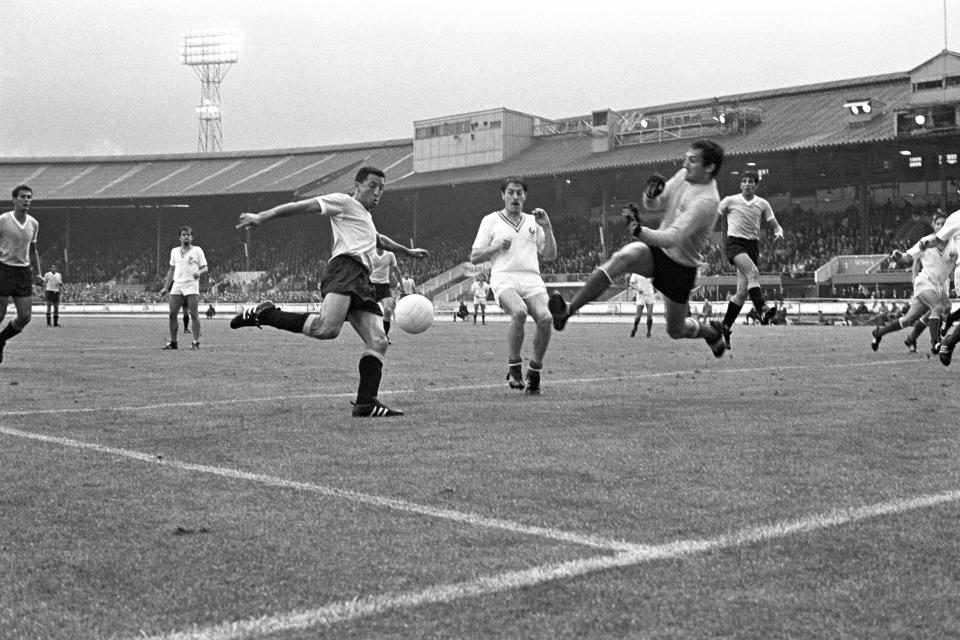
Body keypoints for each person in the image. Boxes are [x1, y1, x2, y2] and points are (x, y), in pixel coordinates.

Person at [230, 166, 429, 417]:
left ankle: (366, 403)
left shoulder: (365, 217)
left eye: (381, 188)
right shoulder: (344, 203)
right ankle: (264, 314)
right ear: (357, 185)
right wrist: (263, 216)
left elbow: (379, 239)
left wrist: (408, 252)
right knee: (326, 329)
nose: (377, 192)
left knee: (378, 340)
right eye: (372, 186)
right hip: (345, 268)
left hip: (362, 278)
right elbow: (301, 206)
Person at [548, 140, 727, 358]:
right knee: (620, 258)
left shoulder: (708, 201)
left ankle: (711, 333)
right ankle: (567, 312)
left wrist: (639, 232)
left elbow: (674, 237)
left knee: (676, 330)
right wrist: (650, 195)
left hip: (680, 267)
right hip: (658, 251)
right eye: (686, 158)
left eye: (692, 160)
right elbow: (654, 204)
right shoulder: (684, 175)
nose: (685, 163)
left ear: (709, 167)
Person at [470, 176, 557, 394]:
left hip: (531, 278)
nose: (515, 197)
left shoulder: (533, 222)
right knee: (519, 312)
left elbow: (550, 255)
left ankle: (535, 371)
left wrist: (548, 227)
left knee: (546, 319)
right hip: (504, 277)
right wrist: (495, 247)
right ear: (503, 195)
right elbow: (474, 256)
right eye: (511, 192)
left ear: (525, 196)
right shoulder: (491, 221)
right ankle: (514, 365)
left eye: (519, 193)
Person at [871, 213, 955, 355]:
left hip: (939, 287)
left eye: (943, 223)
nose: (941, 226)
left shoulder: (954, 244)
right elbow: (909, 257)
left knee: (909, 319)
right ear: (933, 225)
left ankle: (879, 332)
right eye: (938, 223)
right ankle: (936, 343)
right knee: (938, 307)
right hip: (924, 283)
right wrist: (900, 256)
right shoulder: (926, 242)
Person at [717, 170, 784, 348]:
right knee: (753, 272)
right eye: (744, 181)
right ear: (740, 185)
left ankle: (725, 326)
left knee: (741, 293)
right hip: (734, 244)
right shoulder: (730, 200)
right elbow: (714, 212)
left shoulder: (762, 203)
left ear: (756, 185)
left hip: (752, 246)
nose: (747, 184)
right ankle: (762, 309)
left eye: (750, 181)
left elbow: (773, 222)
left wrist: (779, 231)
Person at [0, 184, 43, 363]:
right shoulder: (3, 220)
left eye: (29, 197)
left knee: (25, 317)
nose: (27, 200)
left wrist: (38, 273)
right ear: (14, 200)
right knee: (0, 315)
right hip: (4, 268)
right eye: (23, 197)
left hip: (23, 272)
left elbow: (33, 250)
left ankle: (0, 340)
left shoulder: (33, 223)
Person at [159, 226, 208, 350]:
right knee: (172, 314)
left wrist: (199, 272)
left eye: (188, 234)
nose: (186, 236)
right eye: (184, 234)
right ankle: (173, 342)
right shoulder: (174, 251)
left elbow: (205, 267)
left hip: (191, 284)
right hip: (177, 285)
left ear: (192, 237)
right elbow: (172, 270)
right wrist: (166, 287)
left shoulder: (197, 250)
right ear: (179, 237)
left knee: (193, 314)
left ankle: (195, 341)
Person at [369, 246, 402, 339]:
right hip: (372, 286)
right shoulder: (370, 254)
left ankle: (385, 336)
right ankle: (371, 335)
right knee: (369, 313)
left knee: (388, 310)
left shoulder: (390, 255)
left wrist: (402, 285)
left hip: (385, 287)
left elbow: (397, 271)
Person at [628, 270, 656, 338]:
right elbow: (631, 283)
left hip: (650, 295)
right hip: (641, 296)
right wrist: (638, 289)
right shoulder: (636, 273)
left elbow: (654, 280)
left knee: (649, 315)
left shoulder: (649, 270)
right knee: (638, 316)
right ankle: (635, 328)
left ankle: (649, 333)